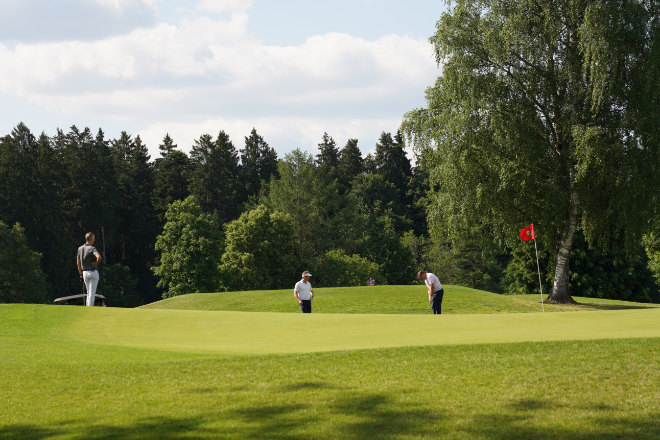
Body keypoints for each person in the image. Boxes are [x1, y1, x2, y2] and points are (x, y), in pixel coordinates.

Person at [77, 232, 102, 306]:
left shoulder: (80, 248)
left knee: (88, 292)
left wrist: (80, 274)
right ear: (91, 239)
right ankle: (90, 309)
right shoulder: (92, 248)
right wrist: (96, 263)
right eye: (94, 239)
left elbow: (78, 263)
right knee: (92, 292)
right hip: (93, 272)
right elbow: (99, 257)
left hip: (84, 273)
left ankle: (88, 307)